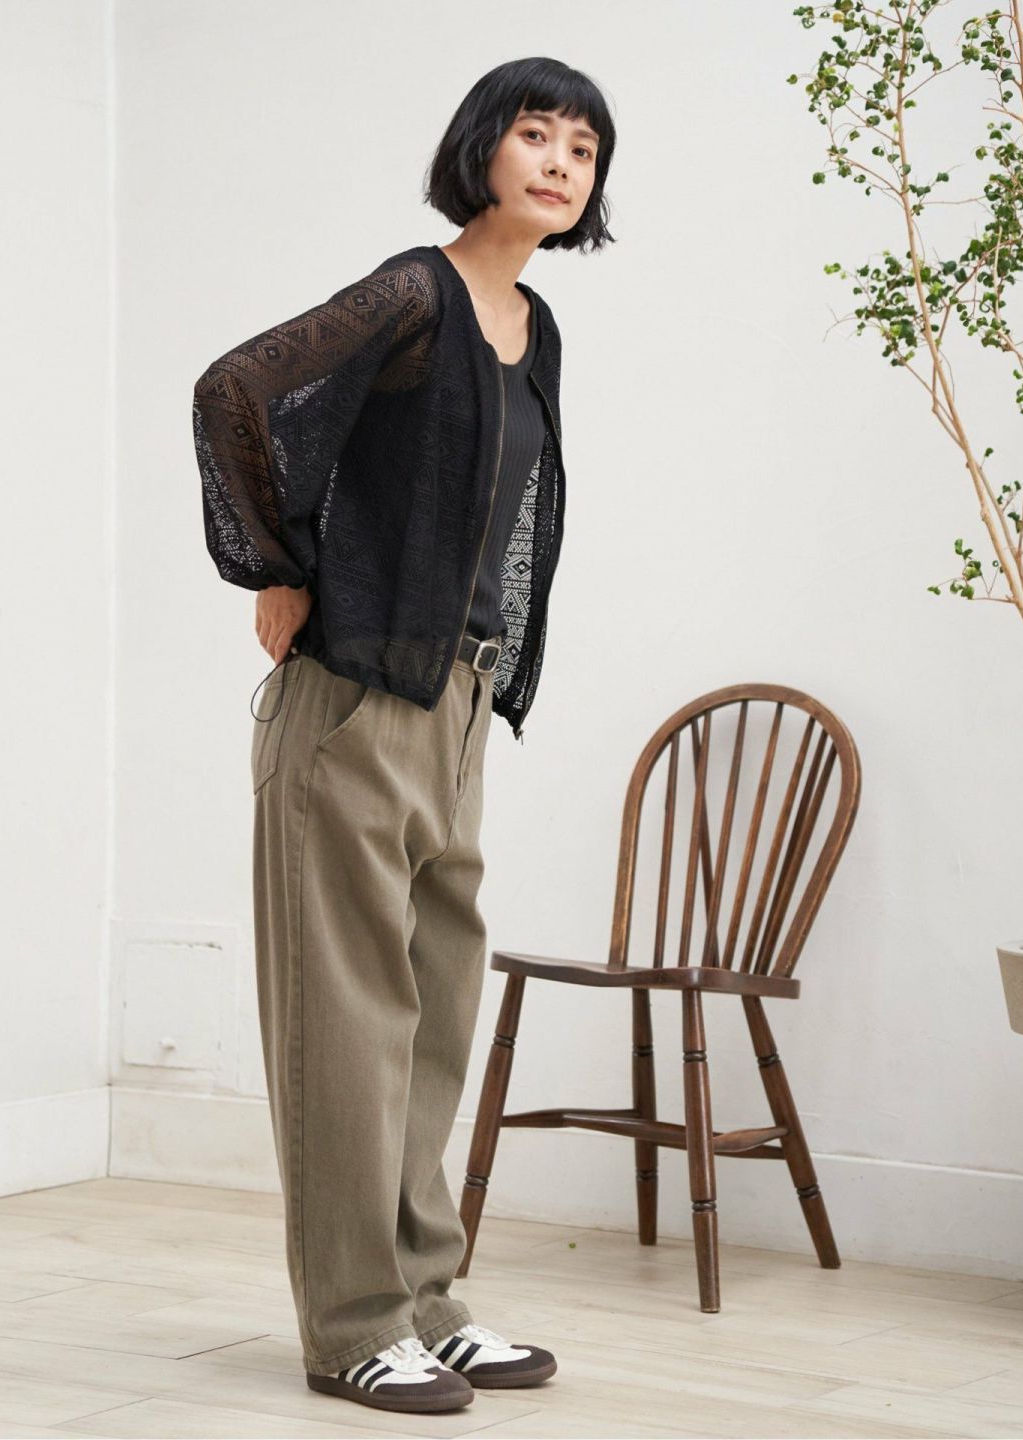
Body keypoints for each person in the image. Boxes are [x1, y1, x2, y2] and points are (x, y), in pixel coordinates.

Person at [192, 55, 615, 1415]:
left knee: (432, 1011)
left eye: (584, 149)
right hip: (356, 699)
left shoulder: (534, 325)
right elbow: (236, 389)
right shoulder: (412, 292)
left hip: (459, 704)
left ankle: (428, 1299)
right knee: (348, 1022)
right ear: (482, 148)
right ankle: (352, 1324)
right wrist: (277, 567)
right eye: (536, 135)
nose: (559, 164)